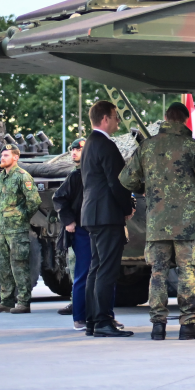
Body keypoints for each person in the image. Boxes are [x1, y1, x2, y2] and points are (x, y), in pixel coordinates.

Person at [120, 102, 195, 340]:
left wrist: (144, 186)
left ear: (166, 118)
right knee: (187, 272)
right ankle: (188, 324)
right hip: (186, 225)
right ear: (185, 121)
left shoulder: (147, 146)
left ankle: (158, 325)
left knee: (157, 273)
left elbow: (126, 180)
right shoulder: (193, 147)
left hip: (157, 222)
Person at [81, 100, 134, 337]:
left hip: (92, 214)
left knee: (95, 268)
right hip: (107, 215)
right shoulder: (106, 145)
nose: (117, 121)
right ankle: (103, 321)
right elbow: (118, 182)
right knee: (107, 270)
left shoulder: (89, 144)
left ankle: (93, 320)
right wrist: (127, 207)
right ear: (105, 119)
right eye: (115, 117)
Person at [0, 146, 41, 314]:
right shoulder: (1, 178)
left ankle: (23, 302)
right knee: (2, 265)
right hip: (2, 230)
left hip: (17, 230)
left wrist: (21, 217)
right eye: (1, 155)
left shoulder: (22, 177)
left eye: (6, 155)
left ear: (15, 158)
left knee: (19, 265)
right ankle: (6, 301)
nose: (2, 158)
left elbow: (34, 201)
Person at [52, 138, 91, 329]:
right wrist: (68, 221)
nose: (74, 152)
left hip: (98, 228)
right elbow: (59, 198)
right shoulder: (75, 177)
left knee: (102, 274)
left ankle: (102, 315)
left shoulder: (95, 172)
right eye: (72, 149)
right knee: (82, 274)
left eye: (79, 149)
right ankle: (79, 317)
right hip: (82, 230)